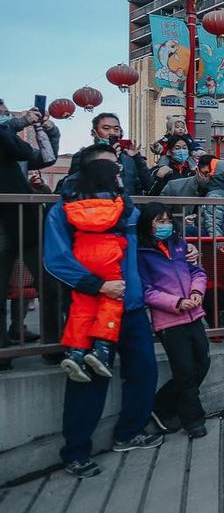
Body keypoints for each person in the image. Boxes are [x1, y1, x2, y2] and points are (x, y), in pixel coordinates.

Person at [45, 143, 162, 477]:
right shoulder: (64, 211)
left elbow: (146, 243)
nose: (115, 171)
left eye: (117, 165)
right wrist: (98, 286)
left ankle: (129, 433)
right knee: (87, 379)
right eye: (108, 165)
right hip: (93, 309)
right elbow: (56, 260)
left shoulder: (127, 207)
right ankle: (76, 451)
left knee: (143, 372)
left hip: (134, 306)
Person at [55, 156, 135, 383]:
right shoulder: (116, 200)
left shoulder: (74, 199)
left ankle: (76, 352)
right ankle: (101, 347)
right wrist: (120, 187)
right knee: (113, 297)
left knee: (82, 304)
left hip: (81, 250)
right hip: (108, 250)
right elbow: (128, 210)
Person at [136, 203, 211, 439]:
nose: (165, 225)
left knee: (202, 363)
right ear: (148, 224)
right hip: (169, 321)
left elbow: (198, 272)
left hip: (194, 314)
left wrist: (197, 293)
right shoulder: (142, 254)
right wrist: (176, 302)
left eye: (167, 220)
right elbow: (147, 291)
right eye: (159, 221)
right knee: (185, 371)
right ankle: (193, 421)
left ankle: (162, 406)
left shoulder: (180, 247)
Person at [0, 105, 63, 353]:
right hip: (3, 227)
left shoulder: (15, 147)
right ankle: (3, 353)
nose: (7, 116)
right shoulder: (8, 133)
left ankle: (53, 345)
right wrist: (20, 121)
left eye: (6, 112)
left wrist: (47, 129)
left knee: (49, 286)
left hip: (25, 223)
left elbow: (45, 157)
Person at [63, 112, 152, 195]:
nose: (112, 133)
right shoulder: (83, 155)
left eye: (116, 129)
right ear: (94, 132)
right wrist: (107, 158)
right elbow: (75, 185)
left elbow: (147, 186)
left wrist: (137, 158)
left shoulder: (128, 159)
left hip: (126, 207)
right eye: (106, 128)